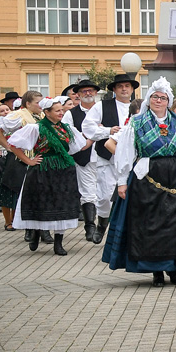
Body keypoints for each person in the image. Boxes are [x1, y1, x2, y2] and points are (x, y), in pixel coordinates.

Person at [103, 78, 176, 286]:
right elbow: (125, 151)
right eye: (155, 97)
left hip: (175, 176)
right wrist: (122, 181)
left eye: (163, 98)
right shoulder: (137, 122)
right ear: (149, 99)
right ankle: (156, 271)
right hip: (147, 176)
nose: (159, 101)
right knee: (151, 224)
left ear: (168, 101)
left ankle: (174, 267)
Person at [6, 96, 90, 255]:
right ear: (47, 112)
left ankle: (58, 243)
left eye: (62, 110)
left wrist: (95, 135)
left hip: (63, 171)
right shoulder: (36, 128)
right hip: (43, 170)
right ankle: (36, 233)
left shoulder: (66, 129)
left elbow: (78, 147)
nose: (61, 113)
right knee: (42, 203)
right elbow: (13, 144)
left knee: (61, 204)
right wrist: (29, 161)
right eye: (57, 110)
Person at [82, 72, 139, 243]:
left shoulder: (139, 106)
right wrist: (107, 131)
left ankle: (125, 232)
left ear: (131, 89)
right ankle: (101, 226)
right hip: (107, 158)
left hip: (131, 162)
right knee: (105, 196)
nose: (124, 89)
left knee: (129, 196)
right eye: (120, 86)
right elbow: (88, 127)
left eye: (127, 86)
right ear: (114, 89)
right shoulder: (102, 106)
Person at [0, 92, 45, 236]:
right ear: (28, 104)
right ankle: (16, 223)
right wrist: (8, 146)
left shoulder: (41, 116)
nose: (41, 105)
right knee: (16, 190)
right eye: (38, 102)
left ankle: (32, 226)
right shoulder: (18, 115)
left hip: (37, 157)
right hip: (19, 158)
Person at [66, 80, 101, 241]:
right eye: (84, 91)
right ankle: (90, 227)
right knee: (88, 193)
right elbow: (68, 136)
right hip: (84, 157)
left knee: (106, 194)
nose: (88, 93)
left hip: (106, 156)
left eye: (91, 91)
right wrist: (91, 135)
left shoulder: (104, 110)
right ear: (78, 95)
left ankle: (104, 226)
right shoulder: (71, 114)